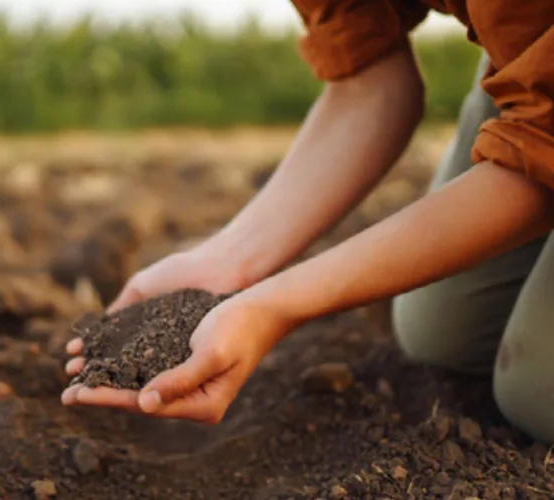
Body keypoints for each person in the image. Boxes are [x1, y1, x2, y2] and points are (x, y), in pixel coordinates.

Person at [61, 2, 554, 443]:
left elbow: (540, 147)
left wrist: (275, 306)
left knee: (536, 393)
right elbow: (368, 82)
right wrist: (227, 261)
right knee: (441, 331)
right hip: (537, 70)